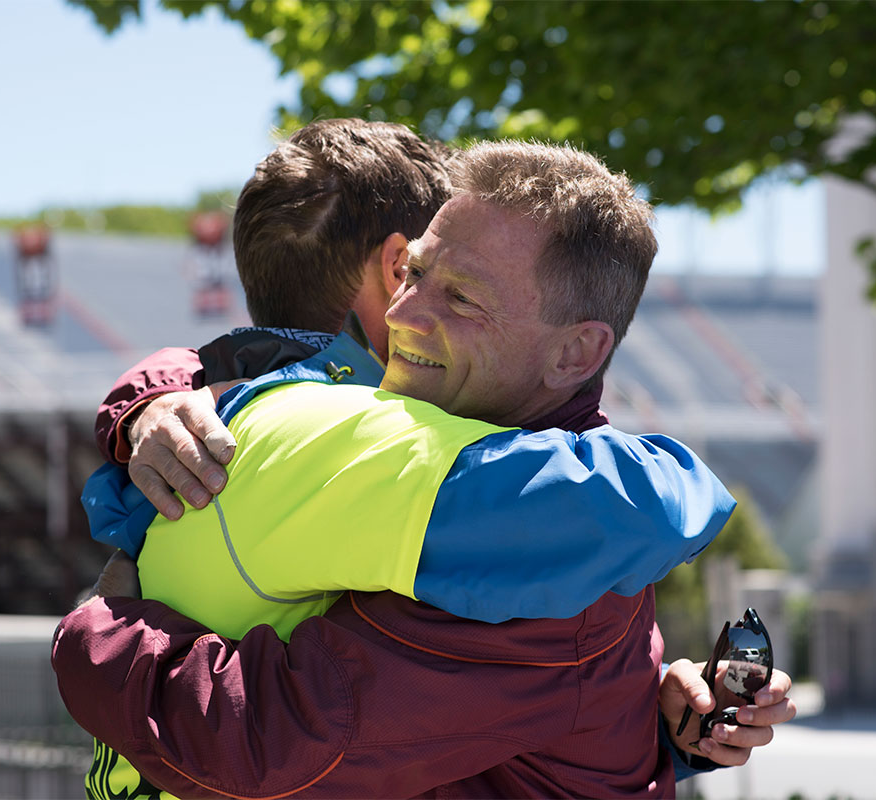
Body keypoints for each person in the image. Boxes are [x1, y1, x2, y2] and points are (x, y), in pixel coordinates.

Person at [55, 131, 796, 797]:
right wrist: (653, 718)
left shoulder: (550, 550)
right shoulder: (472, 478)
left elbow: (272, 742)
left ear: (576, 351)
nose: (405, 314)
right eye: (414, 275)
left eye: (463, 297)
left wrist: (98, 635)